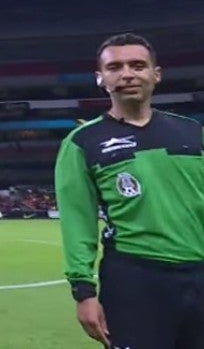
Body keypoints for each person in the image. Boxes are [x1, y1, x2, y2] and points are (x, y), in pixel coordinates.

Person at [54, 32, 204, 349]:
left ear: (156, 74)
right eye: (115, 67)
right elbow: (77, 221)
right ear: (101, 78)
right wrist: (83, 292)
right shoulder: (83, 142)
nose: (127, 74)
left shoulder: (191, 132)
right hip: (134, 279)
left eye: (137, 65)